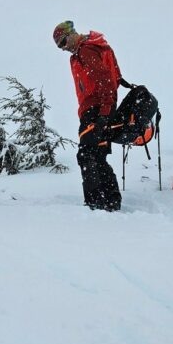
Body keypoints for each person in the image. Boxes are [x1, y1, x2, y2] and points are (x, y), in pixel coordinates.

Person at [53, 20, 128, 211]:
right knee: (97, 155)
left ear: (71, 35)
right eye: (59, 46)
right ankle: (110, 201)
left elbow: (105, 81)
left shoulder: (86, 50)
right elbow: (113, 78)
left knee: (86, 155)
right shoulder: (90, 49)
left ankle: (96, 203)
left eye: (62, 42)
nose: (62, 48)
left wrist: (103, 113)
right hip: (100, 109)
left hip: (96, 110)